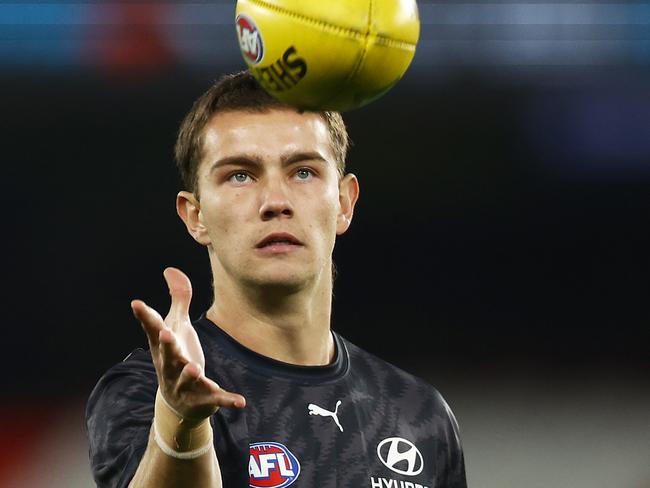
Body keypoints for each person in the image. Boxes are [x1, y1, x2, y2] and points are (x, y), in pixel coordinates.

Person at [86, 71, 467, 488]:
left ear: (344, 203)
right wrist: (182, 424)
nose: (275, 202)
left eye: (303, 171)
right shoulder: (143, 391)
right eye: (240, 175)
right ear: (195, 216)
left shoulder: (419, 414)